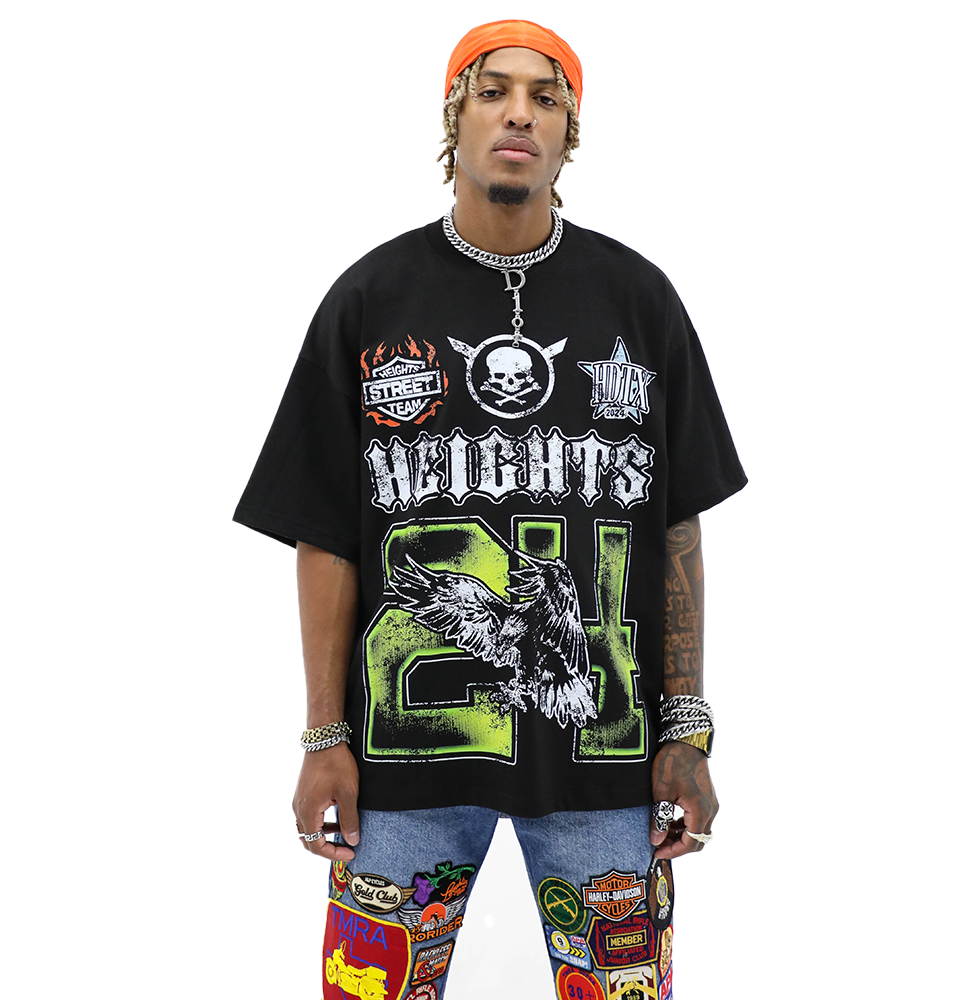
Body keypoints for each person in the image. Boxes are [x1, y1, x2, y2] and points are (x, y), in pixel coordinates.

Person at [234, 19, 746, 1000]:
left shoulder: (638, 301)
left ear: (568, 133)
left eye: (545, 98)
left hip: (605, 753)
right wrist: (322, 737)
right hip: (403, 761)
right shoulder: (370, 299)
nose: (520, 113)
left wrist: (686, 727)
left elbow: (675, 523)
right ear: (454, 117)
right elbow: (326, 533)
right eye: (493, 90)